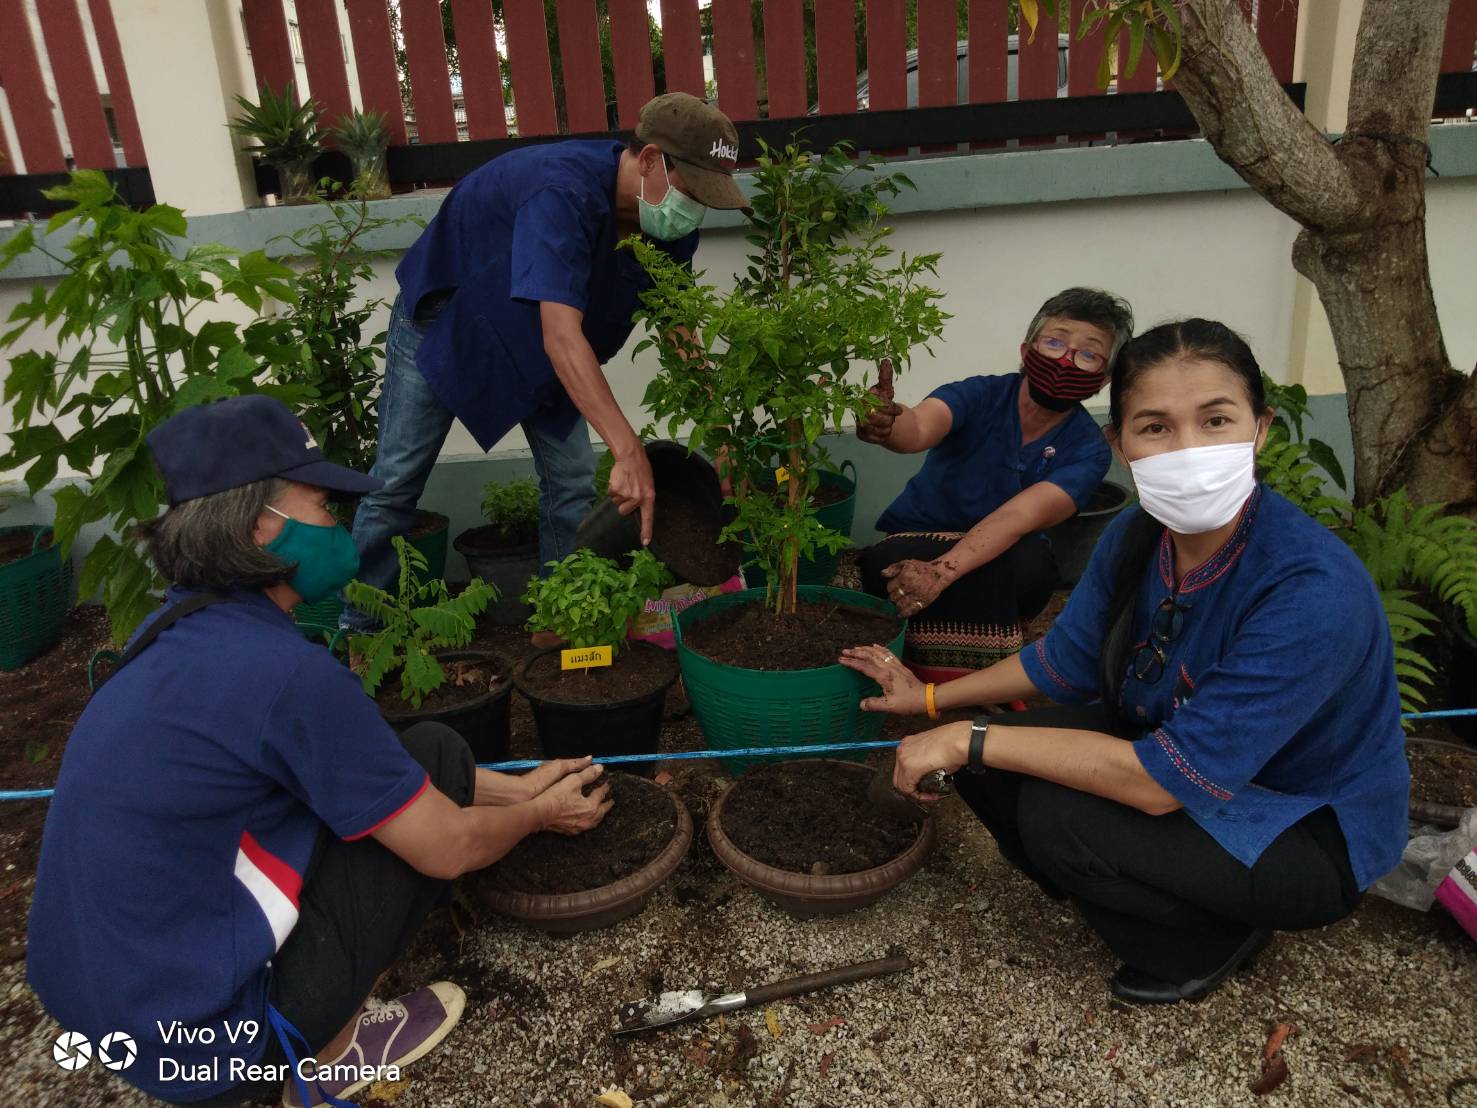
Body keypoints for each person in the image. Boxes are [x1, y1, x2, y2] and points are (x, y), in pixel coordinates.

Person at [27, 396, 612, 1107]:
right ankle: (326, 1050)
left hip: (104, 1010)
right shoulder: (284, 674)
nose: (339, 522)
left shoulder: (176, 630)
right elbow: (450, 847)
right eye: (324, 504)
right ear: (261, 526)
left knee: (425, 755)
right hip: (215, 1048)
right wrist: (540, 815)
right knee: (419, 819)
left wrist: (521, 787)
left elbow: (366, 770)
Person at [841, 320, 1408, 1004]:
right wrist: (932, 705)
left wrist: (968, 734)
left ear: (1258, 431)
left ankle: (1206, 940)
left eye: (1215, 419)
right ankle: (1147, 884)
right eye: (1155, 427)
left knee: (1055, 813)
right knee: (991, 769)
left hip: (1305, 824)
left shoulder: (1309, 589)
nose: (1188, 450)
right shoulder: (1138, 535)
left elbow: (1161, 784)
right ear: (1119, 445)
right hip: (1172, 744)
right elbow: (1063, 661)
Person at [344, 92, 748, 632]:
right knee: (396, 483)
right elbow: (561, 336)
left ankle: (559, 621)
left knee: (573, 479)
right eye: (692, 190)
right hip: (450, 323)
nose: (695, 209)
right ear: (650, 159)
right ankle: (361, 630)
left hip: (547, 342)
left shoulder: (665, 226)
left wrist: (720, 435)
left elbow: (679, 330)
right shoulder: (561, 191)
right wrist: (627, 450)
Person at [856, 288, 1134, 682]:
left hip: (1001, 550)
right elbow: (918, 427)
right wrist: (886, 422)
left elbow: (1019, 517)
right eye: (1055, 342)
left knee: (1028, 568)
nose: (1066, 360)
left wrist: (942, 571)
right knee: (888, 561)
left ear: (1102, 379)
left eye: (1088, 353)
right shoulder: (981, 394)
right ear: (1026, 352)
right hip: (916, 537)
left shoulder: (1088, 449)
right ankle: (946, 665)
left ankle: (963, 680)